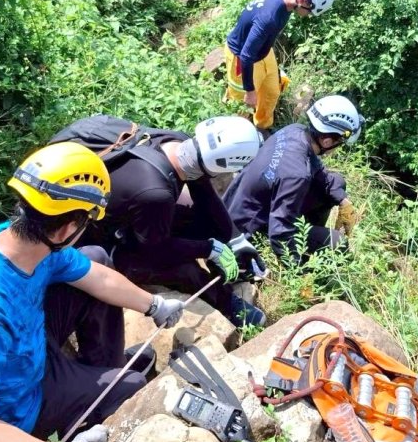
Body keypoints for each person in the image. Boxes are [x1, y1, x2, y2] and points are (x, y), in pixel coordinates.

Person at [0, 142, 185, 442]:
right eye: (85, 221)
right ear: (65, 230)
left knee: (96, 257)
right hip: (13, 409)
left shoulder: (16, 241)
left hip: (22, 353)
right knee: (130, 385)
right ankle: (85, 416)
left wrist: (154, 305)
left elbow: (96, 275)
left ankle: (98, 369)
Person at [55, 115, 268, 327]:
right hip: (95, 237)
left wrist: (235, 239)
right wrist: (208, 249)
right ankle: (228, 304)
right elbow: (154, 250)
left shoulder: (178, 141)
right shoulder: (156, 194)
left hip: (125, 207)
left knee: (201, 220)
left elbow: (206, 197)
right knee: (185, 269)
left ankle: (227, 268)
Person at [223, 95, 364, 264]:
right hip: (250, 227)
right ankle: (304, 256)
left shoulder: (295, 131)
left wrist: (343, 200)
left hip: (249, 204)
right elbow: (280, 231)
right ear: (327, 141)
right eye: (340, 142)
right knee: (337, 242)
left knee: (336, 182)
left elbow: (320, 174)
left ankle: (307, 236)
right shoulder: (297, 175)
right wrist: (295, 272)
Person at [225, 0, 336, 131]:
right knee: (244, 104)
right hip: (242, 58)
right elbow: (246, 55)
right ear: (303, 2)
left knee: (271, 92)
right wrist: (250, 91)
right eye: (310, 12)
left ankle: (262, 128)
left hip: (262, 51)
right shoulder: (269, 18)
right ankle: (236, 134)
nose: (308, 16)